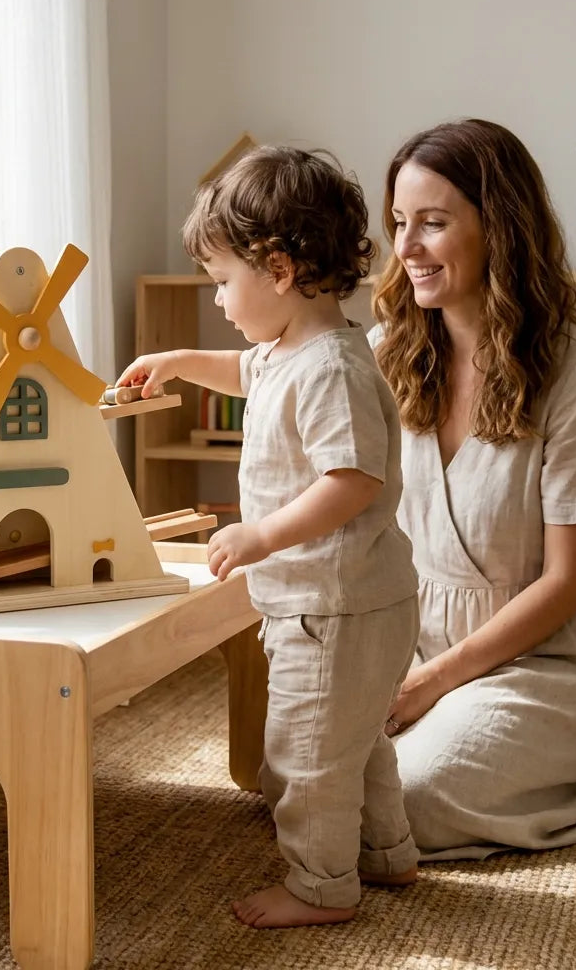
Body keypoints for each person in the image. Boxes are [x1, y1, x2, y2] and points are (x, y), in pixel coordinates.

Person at [118, 145, 421, 928]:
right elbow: (242, 369)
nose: (218, 301)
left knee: (305, 758)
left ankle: (321, 887)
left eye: (223, 282)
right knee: (359, 743)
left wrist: (262, 536)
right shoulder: (287, 352)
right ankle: (386, 856)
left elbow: (353, 480)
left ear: (279, 268)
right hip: (338, 603)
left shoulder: (331, 370)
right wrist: (180, 362)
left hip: (335, 608)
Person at [370, 118, 576, 860]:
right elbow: (285, 371)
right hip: (422, 645)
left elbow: (567, 583)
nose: (406, 248)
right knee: (295, 773)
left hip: (550, 663)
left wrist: (430, 685)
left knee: (404, 801)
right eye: (400, 223)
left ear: (499, 227)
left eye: (432, 223)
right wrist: (178, 361)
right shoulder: (391, 352)